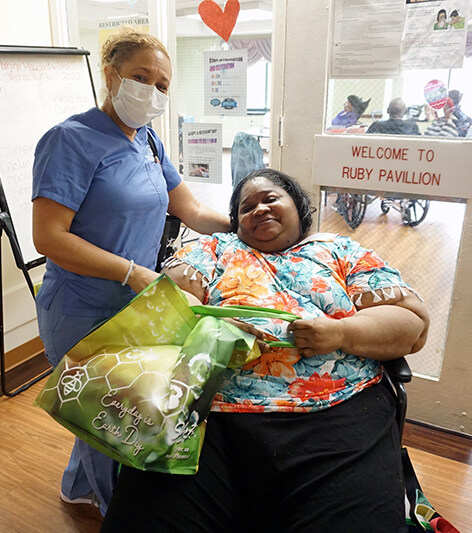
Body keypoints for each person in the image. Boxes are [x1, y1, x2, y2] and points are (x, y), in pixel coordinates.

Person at [101, 168, 430, 532]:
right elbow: (162, 309)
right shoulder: (212, 251)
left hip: (335, 412)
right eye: (246, 207)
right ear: (236, 223)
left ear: (299, 207)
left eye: (271, 199)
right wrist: (208, 326)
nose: (259, 209)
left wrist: (341, 332)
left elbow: (410, 325)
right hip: (208, 414)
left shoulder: (340, 251)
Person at [31, 28, 231, 516]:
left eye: (162, 84)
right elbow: (49, 238)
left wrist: (250, 226)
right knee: (109, 424)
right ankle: (113, 512)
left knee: (113, 414)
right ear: (110, 74)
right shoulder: (69, 141)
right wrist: (134, 274)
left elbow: (192, 211)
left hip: (133, 306)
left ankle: (78, 486)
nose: (152, 91)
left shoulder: (148, 141)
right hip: (80, 308)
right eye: (141, 77)